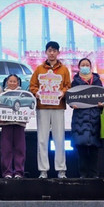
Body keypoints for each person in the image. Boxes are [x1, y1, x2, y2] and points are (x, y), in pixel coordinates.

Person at [29, 41, 71, 179]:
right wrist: (37, 93)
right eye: (49, 50)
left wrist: (63, 92)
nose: (52, 53)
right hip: (43, 107)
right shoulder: (39, 69)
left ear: (58, 52)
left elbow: (68, 85)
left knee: (59, 139)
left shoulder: (64, 69)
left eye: (54, 51)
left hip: (58, 107)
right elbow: (33, 86)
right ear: (46, 52)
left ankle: (61, 170)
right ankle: (43, 170)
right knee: (42, 139)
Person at [70, 57, 102, 178]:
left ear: (90, 67)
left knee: (94, 148)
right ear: (79, 67)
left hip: (94, 116)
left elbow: (102, 96)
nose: (85, 67)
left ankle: (94, 173)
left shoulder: (97, 80)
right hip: (80, 117)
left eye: (87, 65)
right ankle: (83, 174)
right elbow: (70, 98)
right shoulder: (75, 82)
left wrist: (101, 104)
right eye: (82, 65)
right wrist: (72, 104)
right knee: (81, 147)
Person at [0, 74, 27, 179]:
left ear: (18, 83)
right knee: (6, 149)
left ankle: (19, 172)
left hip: (19, 124)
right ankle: (7, 172)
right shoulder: (2, 95)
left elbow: (28, 108)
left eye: (15, 81)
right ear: (7, 82)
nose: (12, 83)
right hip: (6, 124)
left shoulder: (24, 95)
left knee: (20, 149)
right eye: (10, 81)